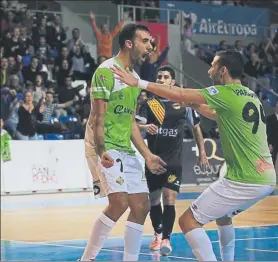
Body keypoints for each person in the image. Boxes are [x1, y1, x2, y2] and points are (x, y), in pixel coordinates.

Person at [111, 49, 276, 261]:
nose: (209, 71)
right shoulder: (249, 94)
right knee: (223, 216)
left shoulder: (224, 92)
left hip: (245, 179)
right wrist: (194, 104)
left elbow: (179, 94)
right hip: (266, 178)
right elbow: (217, 114)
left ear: (223, 70)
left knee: (188, 221)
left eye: (213, 66)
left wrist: (138, 82)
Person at [79, 23, 167, 261]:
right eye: (146, 41)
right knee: (119, 202)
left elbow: (129, 123)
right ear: (130, 43)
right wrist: (102, 151)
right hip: (103, 144)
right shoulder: (106, 71)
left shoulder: (135, 79)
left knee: (142, 206)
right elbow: (98, 117)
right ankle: (86, 259)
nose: (151, 46)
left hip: (124, 147)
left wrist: (147, 155)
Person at [137, 65, 209, 256]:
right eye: (159, 76)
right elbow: (134, 125)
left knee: (169, 198)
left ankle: (167, 239)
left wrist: (202, 152)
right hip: (153, 159)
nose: (160, 79)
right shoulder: (148, 103)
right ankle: (157, 233)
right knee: (154, 200)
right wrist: (146, 128)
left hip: (174, 160)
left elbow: (196, 128)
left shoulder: (182, 104)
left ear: (172, 81)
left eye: (165, 77)